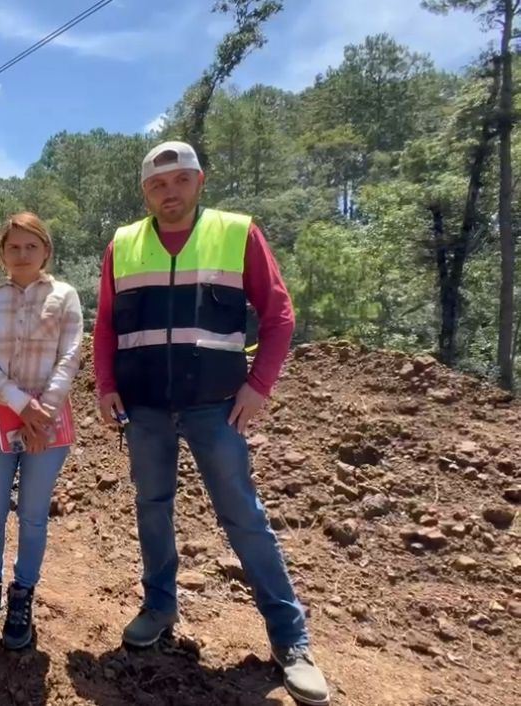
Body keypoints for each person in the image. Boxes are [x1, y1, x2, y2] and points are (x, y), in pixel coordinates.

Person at [94, 141, 330, 705]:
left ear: (200, 181)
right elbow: (105, 325)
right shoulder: (123, 244)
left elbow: (278, 315)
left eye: (179, 180)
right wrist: (105, 386)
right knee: (152, 508)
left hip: (216, 406)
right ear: (145, 192)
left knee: (242, 515)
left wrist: (259, 385)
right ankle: (158, 607)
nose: (168, 192)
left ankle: (290, 641)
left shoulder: (235, 232)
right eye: (157, 184)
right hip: (145, 406)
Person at [0, 212, 82, 650]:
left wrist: (42, 414)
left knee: (33, 515)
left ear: (46, 251)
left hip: (46, 430)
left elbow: (70, 357)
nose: (22, 254)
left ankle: (22, 594)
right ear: (2, 253)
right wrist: (19, 404)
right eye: (14, 247)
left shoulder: (66, 296)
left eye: (31, 246)